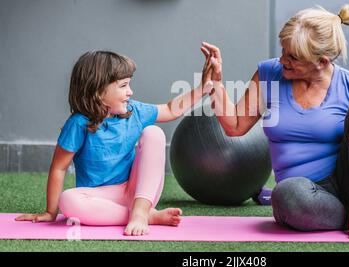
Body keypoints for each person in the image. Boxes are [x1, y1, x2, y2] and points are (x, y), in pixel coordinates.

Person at [201, 4, 349, 242]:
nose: (283, 60)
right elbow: (235, 126)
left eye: (293, 57)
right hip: (302, 195)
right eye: (283, 51)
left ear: (322, 61)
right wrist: (216, 84)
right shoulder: (269, 74)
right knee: (285, 196)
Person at [16, 50, 214, 236]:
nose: (130, 92)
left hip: (138, 192)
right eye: (123, 86)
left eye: (129, 84)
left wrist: (202, 88)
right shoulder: (78, 124)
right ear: (99, 91)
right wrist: (51, 212)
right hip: (99, 200)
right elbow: (59, 168)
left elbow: (171, 110)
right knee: (68, 200)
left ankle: (141, 211)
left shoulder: (134, 111)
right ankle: (147, 216)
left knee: (154, 133)